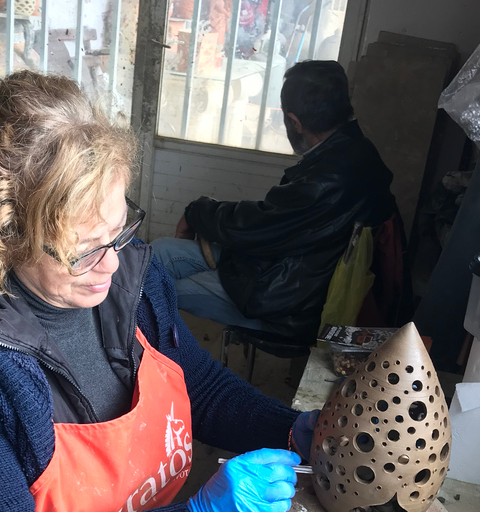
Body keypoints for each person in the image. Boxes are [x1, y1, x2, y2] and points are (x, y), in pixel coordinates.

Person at [0, 70, 320, 512]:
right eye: (82, 249)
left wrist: (290, 431)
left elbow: (200, 387)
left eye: (117, 232)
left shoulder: (133, 281)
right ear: (3, 236)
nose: (112, 262)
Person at [151, 60, 398, 342]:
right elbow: (272, 220)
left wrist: (197, 212)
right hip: (288, 271)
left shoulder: (328, 178)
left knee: (152, 289)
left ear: (294, 122)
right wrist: (202, 214)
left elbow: (255, 226)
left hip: (287, 302)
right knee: (159, 253)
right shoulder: (355, 150)